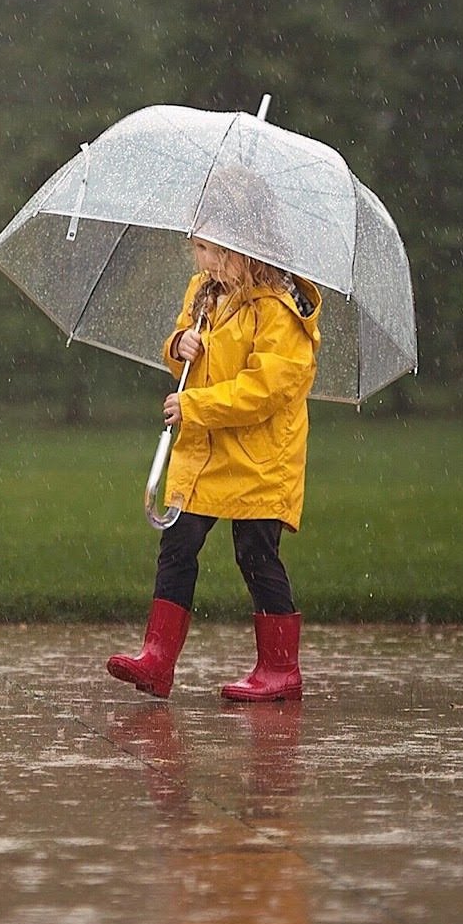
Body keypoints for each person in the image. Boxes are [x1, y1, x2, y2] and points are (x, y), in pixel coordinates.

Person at [107, 196, 322, 702]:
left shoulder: (279, 312)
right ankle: (157, 660)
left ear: (242, 251)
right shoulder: (205, 293)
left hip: (261, 457)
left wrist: (195, 407)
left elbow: (266, 389)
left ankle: (279, 668)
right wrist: (177, 343)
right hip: (204, 454)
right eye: (197, 247)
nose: (199, 259)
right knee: (178, 544)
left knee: (256, 553)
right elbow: (188, 354)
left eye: (208, 248)